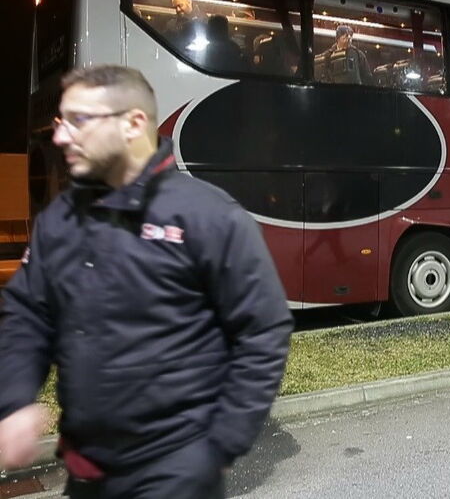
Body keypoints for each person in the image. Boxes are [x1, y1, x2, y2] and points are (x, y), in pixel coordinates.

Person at [0, 66, 294, 497]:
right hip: (86, 474)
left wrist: (220, 445)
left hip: (176, 477)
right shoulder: (59, 219)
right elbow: (28, 314)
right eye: (62, 121)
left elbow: (263, 331)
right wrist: (14, 401)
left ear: (133, 124)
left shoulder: (208, 216)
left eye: (79, 120)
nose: (59, 137)